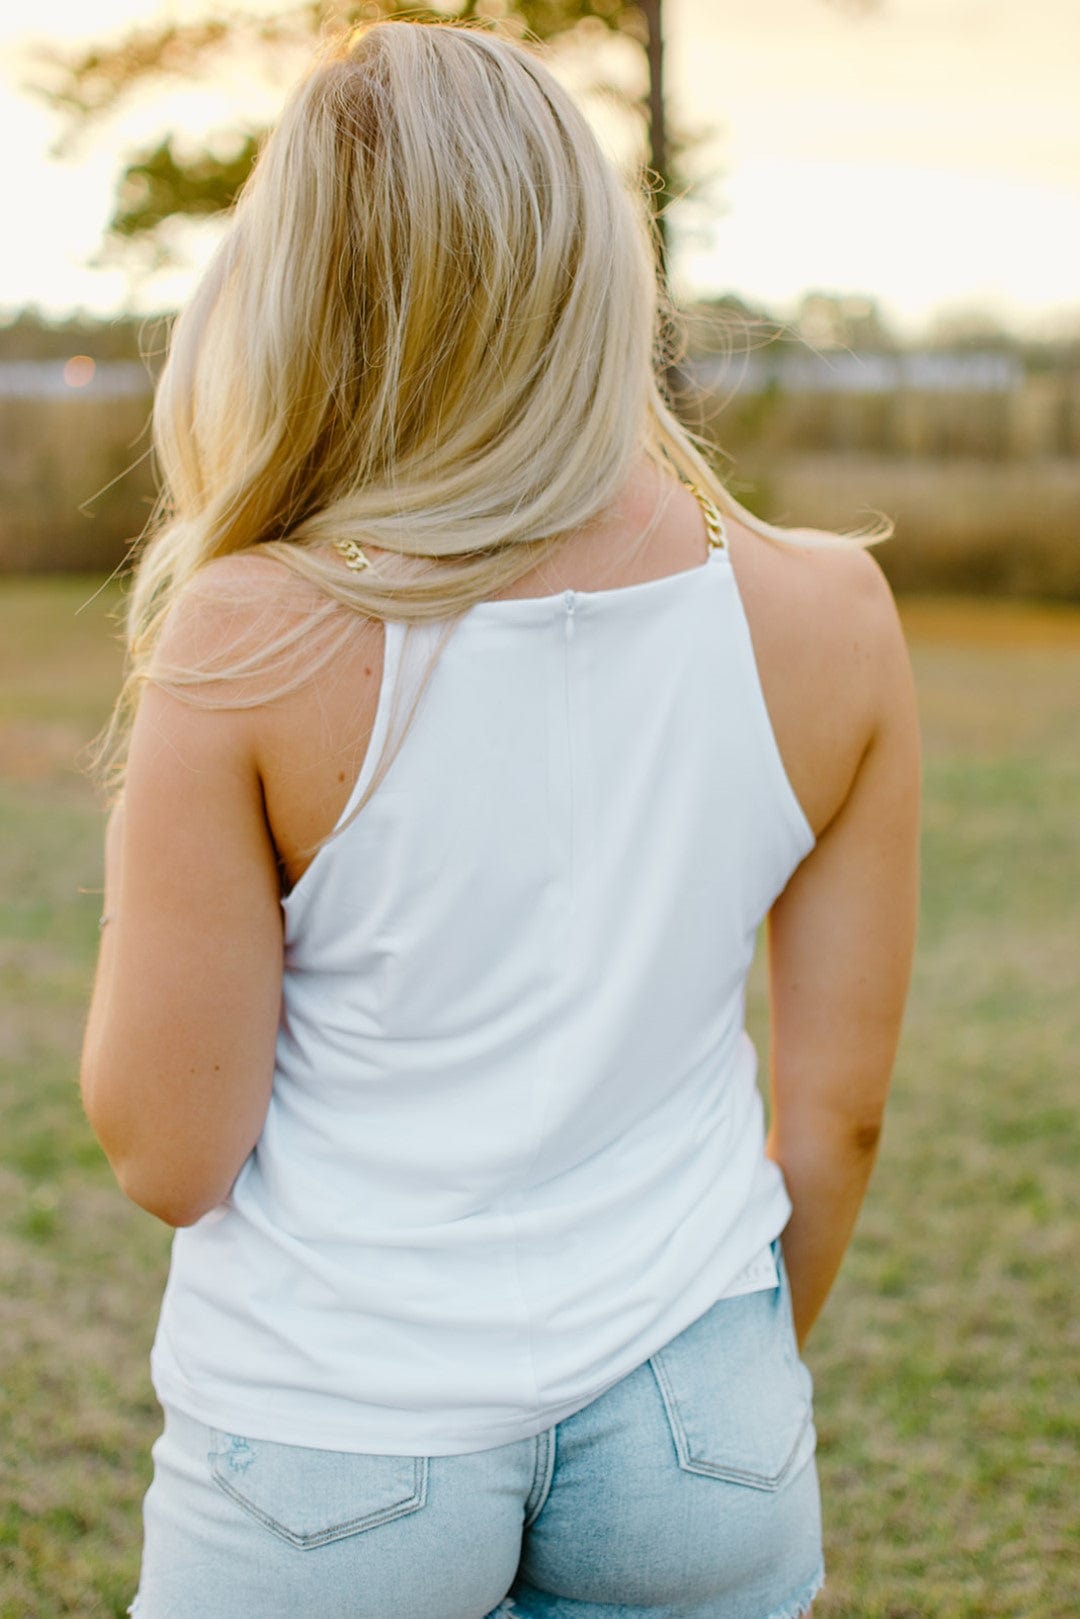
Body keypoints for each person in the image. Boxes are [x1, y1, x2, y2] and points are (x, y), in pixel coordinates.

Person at [80, 19, 920, 1619]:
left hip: (341, 1442)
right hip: (700, 1411)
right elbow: (839, 1122)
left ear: (301, 287)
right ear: (598, 263)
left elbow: (167, 1148)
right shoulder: (835, 613)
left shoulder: (254, 630)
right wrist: (711, 1378)